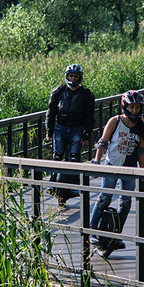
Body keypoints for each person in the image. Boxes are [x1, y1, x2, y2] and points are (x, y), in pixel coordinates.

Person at [89, 89, 144, 257]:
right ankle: (92, 231)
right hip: (112, 164)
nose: (134, 111)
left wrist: (142, 171)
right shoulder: (115, 121)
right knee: (104, 198)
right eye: (131, 107)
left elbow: (141, 149)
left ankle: (116, 236)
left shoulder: (141, 125)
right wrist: (97, 162)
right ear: (125, 106)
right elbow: (103, 142)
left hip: (129, 168)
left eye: (137, 107)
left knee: (126, 203)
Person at [45, 63, 96, 206]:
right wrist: (49, 131)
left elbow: (89, 116)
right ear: (67, 76)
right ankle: (52, 184)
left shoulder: (86, 94)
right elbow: (51, 112)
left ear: (80, 78)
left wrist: (87, 134)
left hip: (77, 129)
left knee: (74, 159)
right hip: (60, 128)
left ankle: (74, 187)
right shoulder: (58, 91)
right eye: (71, 76)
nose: (73, 79)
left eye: (76, 76)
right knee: (57, 157)